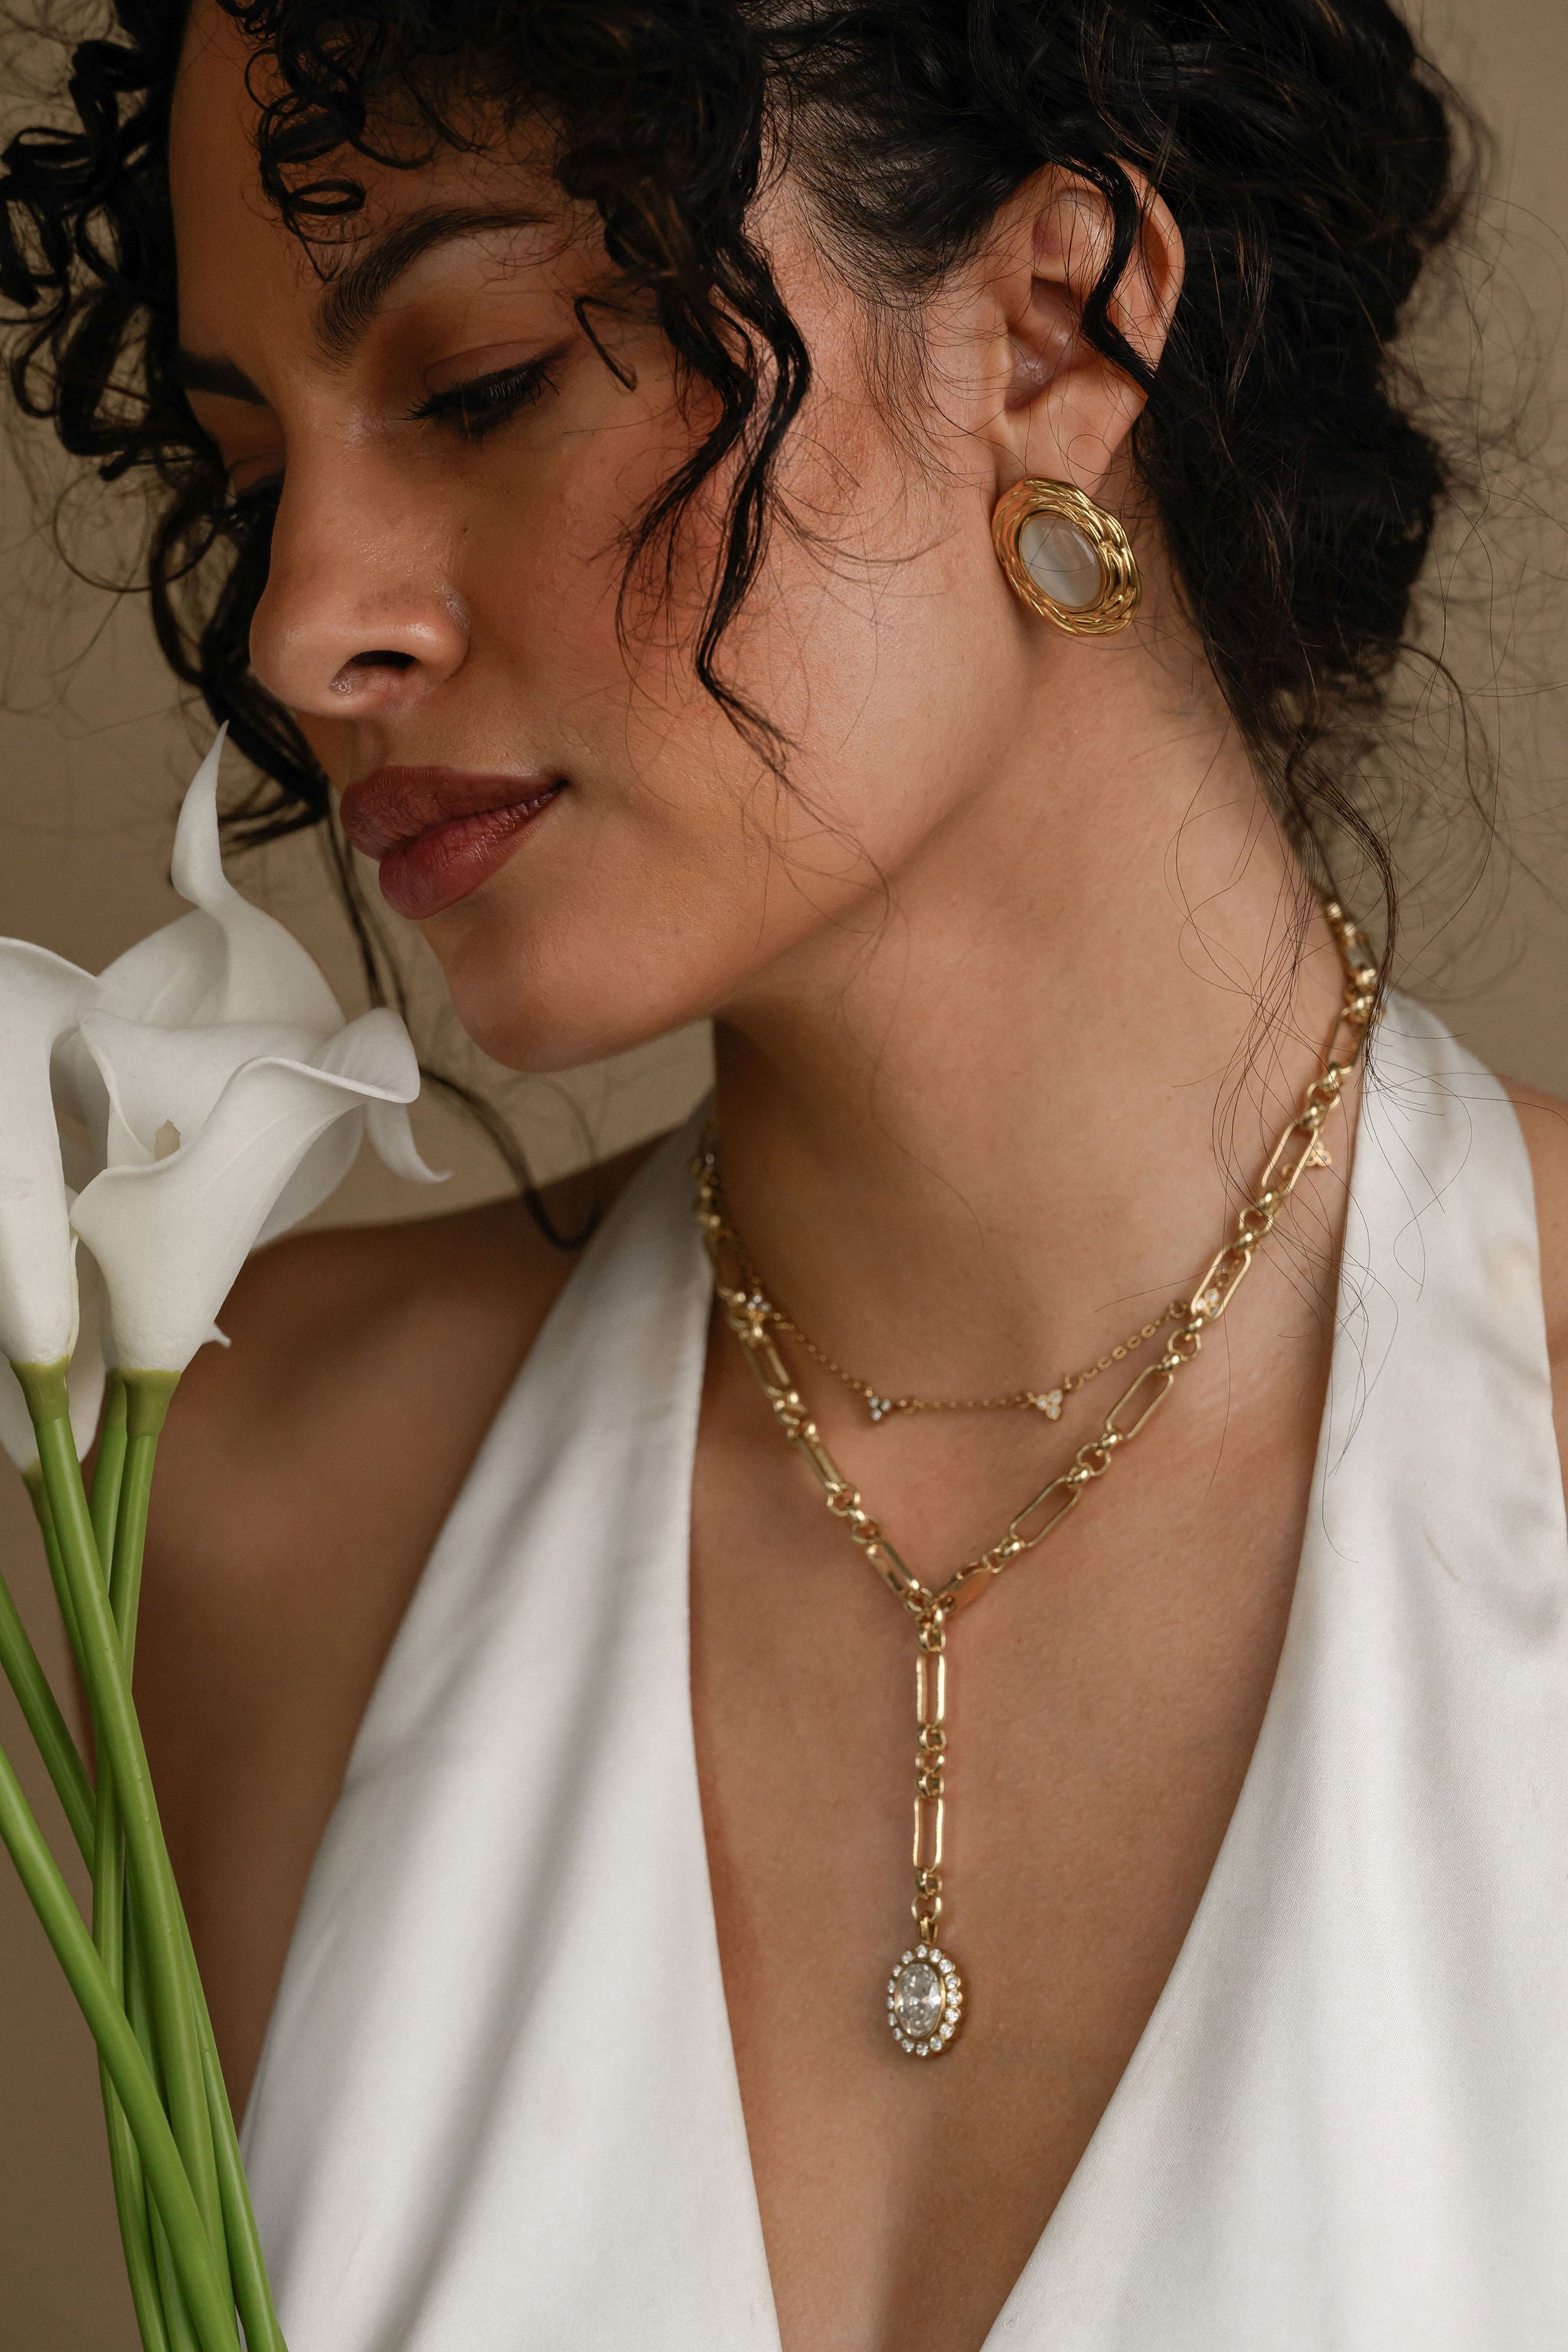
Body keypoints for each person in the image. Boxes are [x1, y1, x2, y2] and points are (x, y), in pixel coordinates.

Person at [5, 1, 1568, 2345]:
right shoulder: (244, 1510)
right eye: (252, 479)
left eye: (480, 385)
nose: (309, 622)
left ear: (1053, 329)